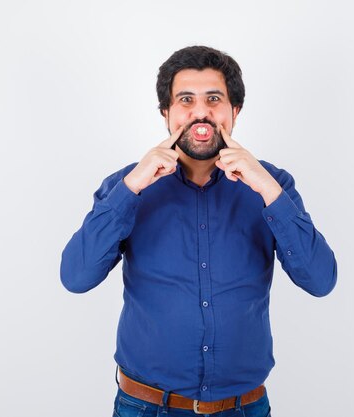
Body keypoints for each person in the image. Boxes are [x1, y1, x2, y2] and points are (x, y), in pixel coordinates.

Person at [60, 45, 337, 417]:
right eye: (186, 100)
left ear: (234, 111)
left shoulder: (273, 185)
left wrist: (268, 190)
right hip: (145, 407)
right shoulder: (126, 187)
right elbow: (76, 277)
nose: (200, 112)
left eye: (214, 99)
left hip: (244, 408)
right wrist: (130, 190)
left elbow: (320, 280)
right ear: (167, 114)